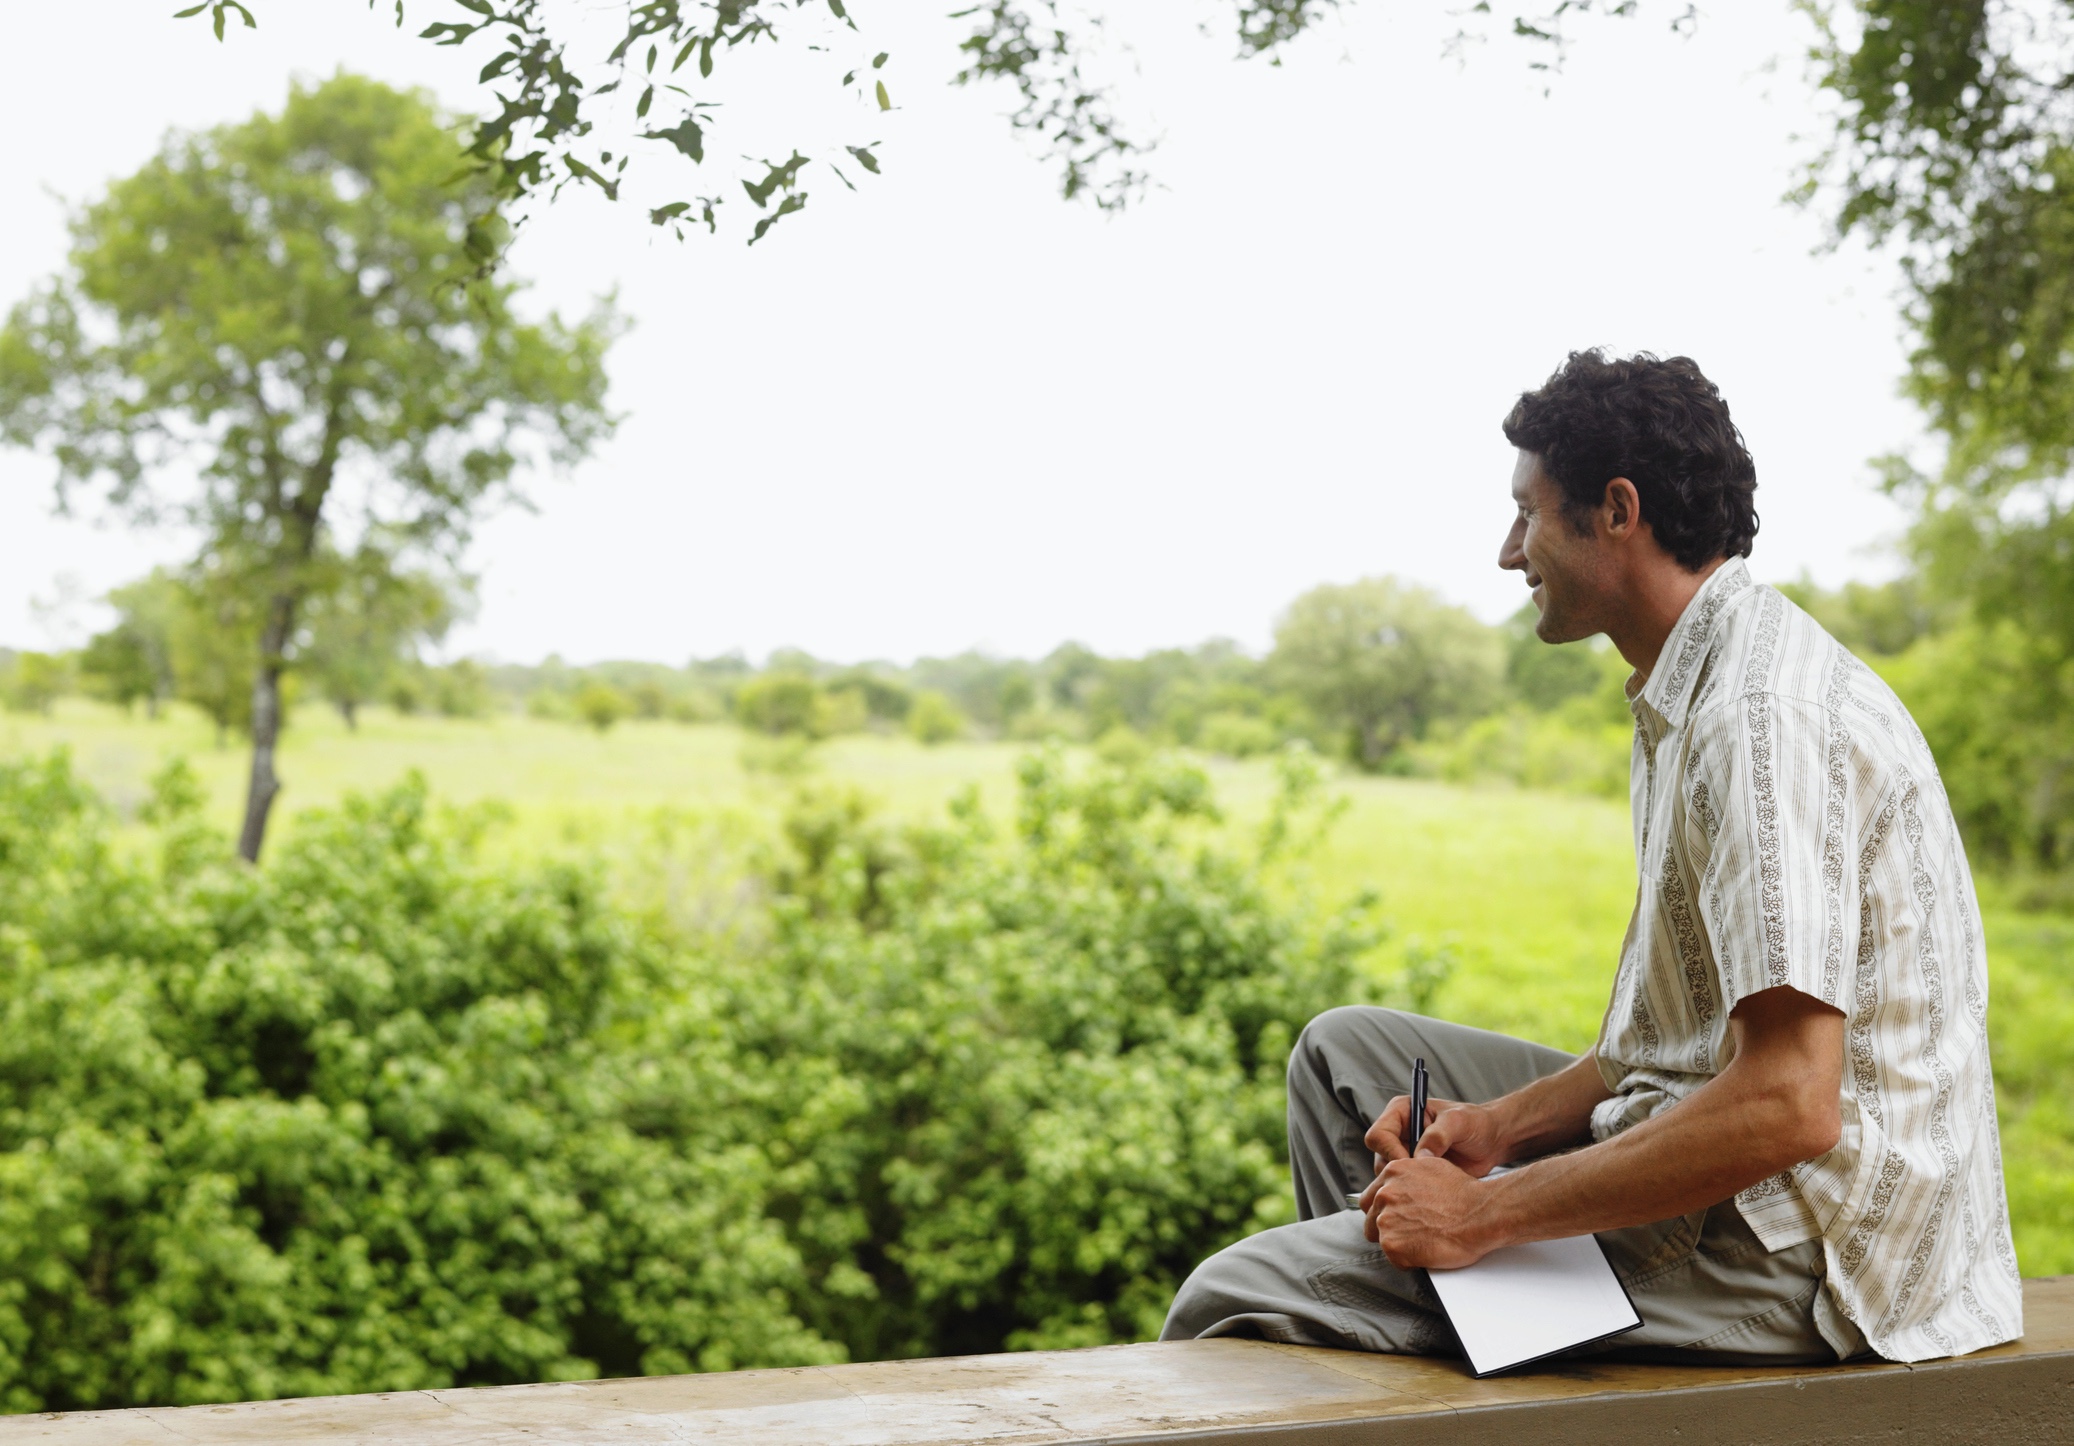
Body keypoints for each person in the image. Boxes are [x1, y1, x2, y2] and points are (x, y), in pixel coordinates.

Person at [1160, 350, 2022, 1365]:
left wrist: (1485, 1216)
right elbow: (1675, 1044)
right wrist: (1500, 1130)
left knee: (1230, 1294)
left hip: (1809, 1251)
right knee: (1340, 1055)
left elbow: (1789, 1104)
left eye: (1526, 512)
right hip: (1738, 1162)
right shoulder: (1691, 682)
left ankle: (1425, 1306)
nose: (1506, 551)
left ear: (1615, 511)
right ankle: (1434, 1352)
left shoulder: (1758, 722)